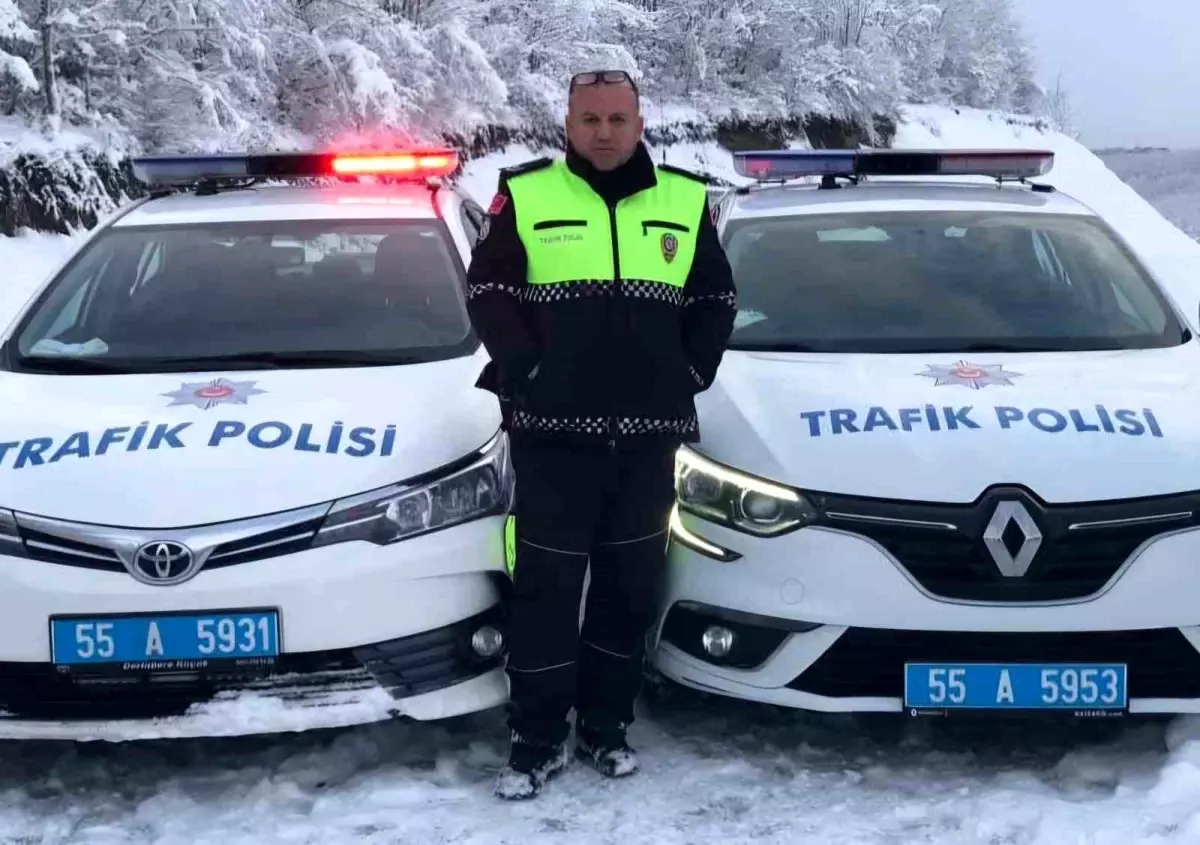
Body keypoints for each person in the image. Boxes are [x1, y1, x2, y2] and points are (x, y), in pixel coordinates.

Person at [464, 68, 737, 801]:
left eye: (618, 119)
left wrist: (690, 370)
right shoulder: (526, 195)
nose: (605, 132)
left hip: (647, 440)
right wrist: (526, 370)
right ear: (569, 125)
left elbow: (715, 295)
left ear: (640, 124)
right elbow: (489, 291)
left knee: (627, 590)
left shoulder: (683, 199)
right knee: (545, 594)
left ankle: (606, 727)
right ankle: (536, 740)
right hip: (552, 440)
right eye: (590, 119)